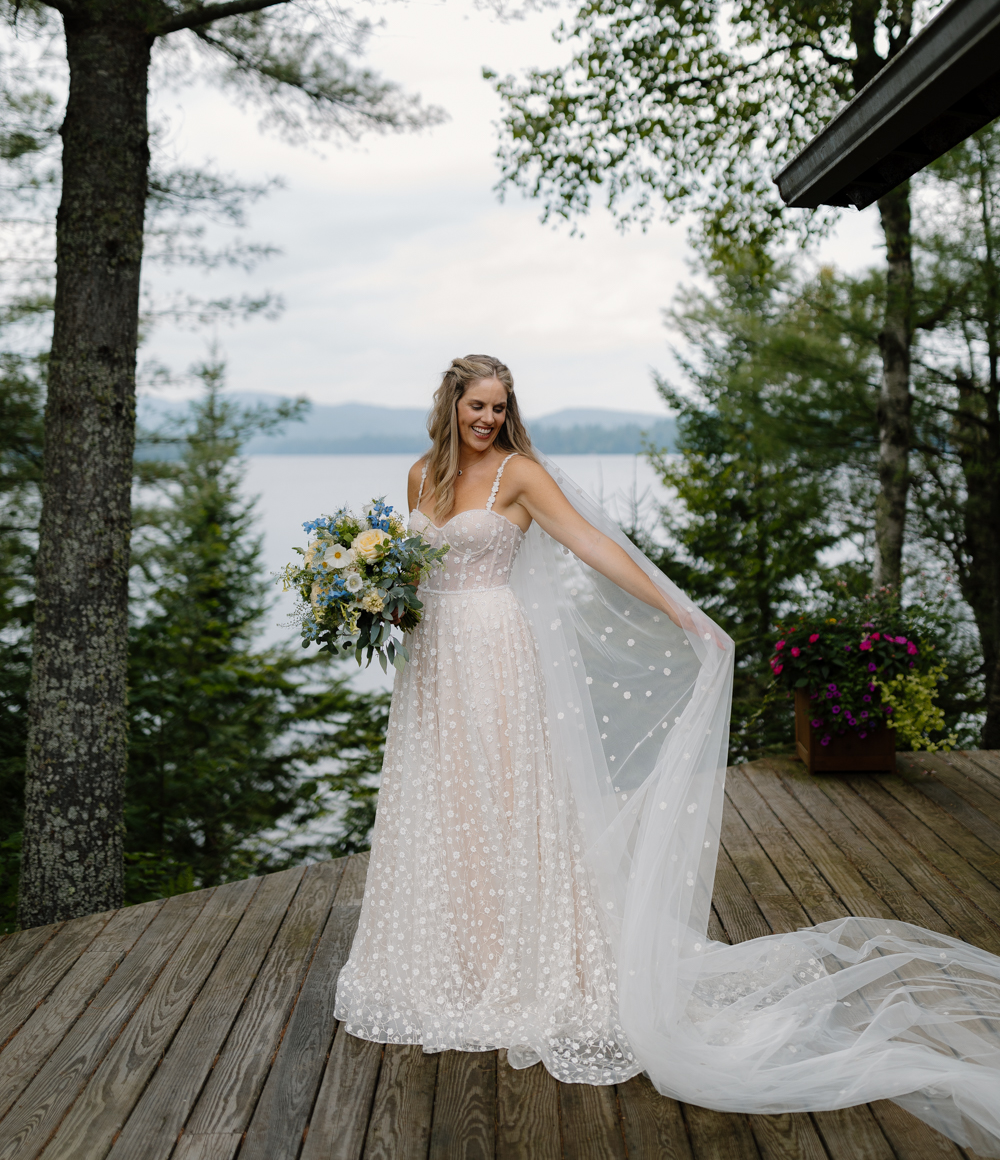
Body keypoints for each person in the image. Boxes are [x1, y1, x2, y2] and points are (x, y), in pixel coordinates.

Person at [336, 355, 1000, 1153]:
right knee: (448, 812)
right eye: (475, 406)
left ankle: (518, 966)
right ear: (449, 404)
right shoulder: (419, 476)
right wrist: (369, 604)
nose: (486, 419)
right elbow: (414, 579)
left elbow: (592, 546)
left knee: (508, 805)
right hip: (434, 670)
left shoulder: (521, 474)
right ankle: (456, 957)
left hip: (496, 659)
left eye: (497, 407)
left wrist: (686, 613)